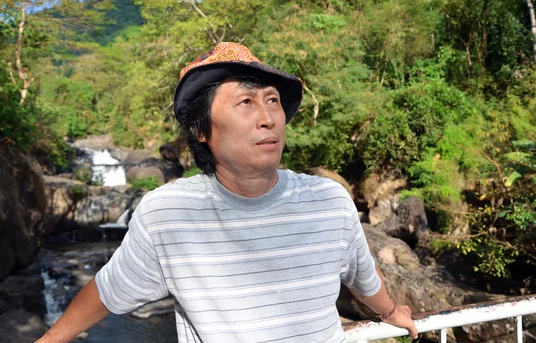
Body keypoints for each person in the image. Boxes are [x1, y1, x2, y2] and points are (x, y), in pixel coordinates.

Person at [36, 42, 418, 343]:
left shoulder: (329, 200)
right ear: (202, 130)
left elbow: (362, 275)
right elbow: (108, 291)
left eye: (273, 100)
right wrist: (51, 339)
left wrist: (389, 313)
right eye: (246, 102)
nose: (268, 117)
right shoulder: (168, 214)